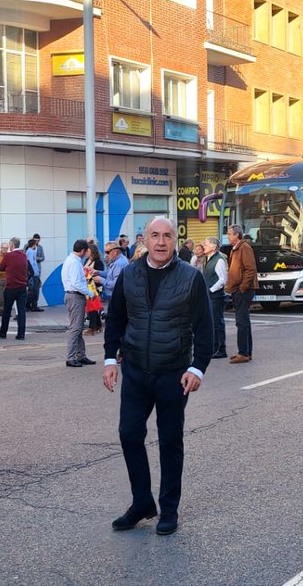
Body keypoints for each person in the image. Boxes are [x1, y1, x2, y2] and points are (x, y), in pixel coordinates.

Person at [103, 217, 211, 536]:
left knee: (169, 441)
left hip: (174, 373)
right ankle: (141, 503)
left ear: (175, 241)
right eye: (154, 236)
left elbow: (206, 328)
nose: (161, 242)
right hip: (136, 370)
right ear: (144, 240)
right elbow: (116, 320)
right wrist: (111, 359)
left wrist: (197, 367)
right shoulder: (129, 274)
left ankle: (169, 509)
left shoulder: (191, 277)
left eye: (167, 236)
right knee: (129, 434)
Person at [62, 240, 98, 367]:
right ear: (82, 251)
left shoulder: (72, 261)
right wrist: (90, 293)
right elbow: (77, 284)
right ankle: (71, 357)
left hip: (73, 296)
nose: (86, 254)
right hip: (75, 296)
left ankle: (80, 355)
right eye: (86, 251)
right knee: (76, 328)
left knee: (78, 327)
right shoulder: (74, 263)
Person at [225, 224, 257, 363]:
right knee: (244, 321)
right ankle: (246, 352)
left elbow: (250, 269)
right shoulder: (236, 249)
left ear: (237, 234)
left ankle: (243, 353)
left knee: (241, 322)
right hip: (238, 289)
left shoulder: (244, 247)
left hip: (243, 290)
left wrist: (242, 288)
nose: (228, 236)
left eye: (230, 234)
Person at [0, 237, 29, 339]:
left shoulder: (8, 256)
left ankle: (3, 332)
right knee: (21, 310)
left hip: (11, 287)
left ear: (12, 245)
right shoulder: (24, 255)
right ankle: (21, 334)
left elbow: (1, 267)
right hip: (22, 286)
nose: (9, 246)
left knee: (7, 310)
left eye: (10, 245)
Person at [203, 236, 229, 359]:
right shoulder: (208, 259)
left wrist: (211, 290)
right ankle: (214, 347)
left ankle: (221, 349)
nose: (204, 246)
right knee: (212, 323)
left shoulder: (219, 260)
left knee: (218, 323)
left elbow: (223, 279)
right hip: (210, 296)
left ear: (213, 247)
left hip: (216, 296)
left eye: (206, 244)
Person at [85, 240, 105, 334]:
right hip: (87, 287)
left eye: (88, 251)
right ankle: (98, 325)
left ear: (92, 252)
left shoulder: (98, 262)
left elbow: (100, 274)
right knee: (91, 307)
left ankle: (92, 327)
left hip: (95, 287)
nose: (86, 253)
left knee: (93, 308)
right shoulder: (86, 260)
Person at [25, 237, 44, 312]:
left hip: (34, 273)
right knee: (33, 291)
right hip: (33, 274)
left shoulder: (29, 251)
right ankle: (28, 305)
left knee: (33, 290)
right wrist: (35, 272)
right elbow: (32, 264)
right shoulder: (30, 252)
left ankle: (30, 305)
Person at [0, 241, 8, 314]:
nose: (4, 249)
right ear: (1, 248)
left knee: (7, 295)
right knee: (0, 296)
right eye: (3, 247)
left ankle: (7, 311)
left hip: (8, 278)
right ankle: (2, 310)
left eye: (6, 248)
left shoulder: (9, 256)